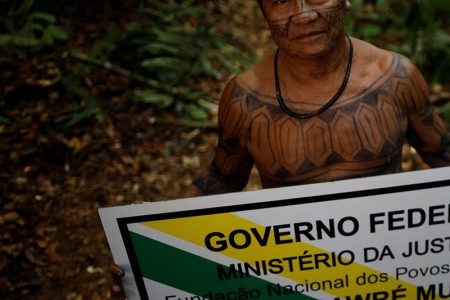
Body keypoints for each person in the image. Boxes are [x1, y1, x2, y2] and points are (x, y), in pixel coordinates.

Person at [110, 0, 450, 298]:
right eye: (281, 1)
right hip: (295, 275)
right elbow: (220, 179)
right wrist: (145, 253)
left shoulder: (395, 79)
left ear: (345, 0)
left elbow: (442, 154)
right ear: (263, 13)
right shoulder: (245, 101)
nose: (302, 14)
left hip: (394, 266)